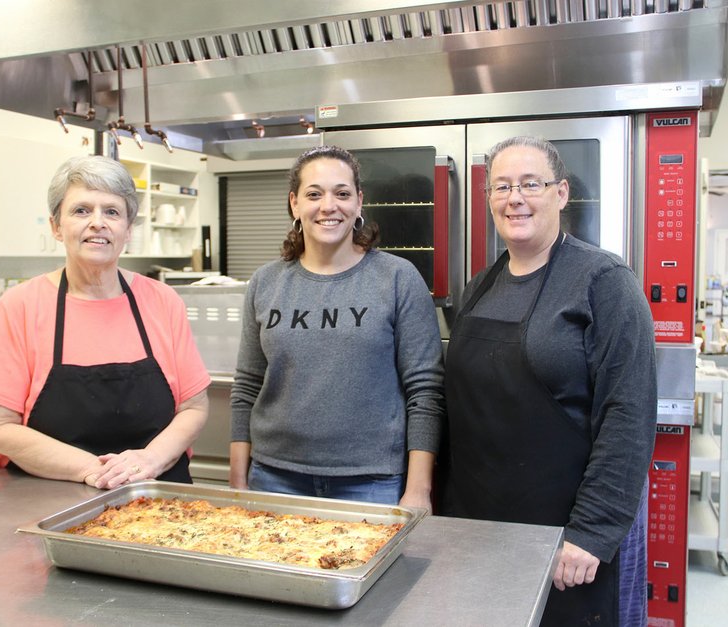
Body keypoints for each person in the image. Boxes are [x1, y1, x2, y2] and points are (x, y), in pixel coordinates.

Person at [440, 136, 656, 626]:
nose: (515, 197)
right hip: (478, 524)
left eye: (530, 184)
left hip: (564, 537)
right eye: (502, 186)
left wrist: (591, 533)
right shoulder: (480, 287)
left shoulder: (604, 282)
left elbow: (628, 415)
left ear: (561, 194)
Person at [0, 155, 210, 489]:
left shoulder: (163, 301)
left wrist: (147, 461)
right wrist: (93, 470)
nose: (98, 223)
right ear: (56, 226)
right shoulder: (20, 306)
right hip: (44, 502)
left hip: (158, 495)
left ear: (128, 230)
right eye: (81, 210)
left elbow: (193, 408)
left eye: (112, 211)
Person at [229, 145, 444, 511]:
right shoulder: (266, 282)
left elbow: (425, 392)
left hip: (372, 483)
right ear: (295, 204)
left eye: (342, 193)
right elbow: (247, 386)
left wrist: (418, 490)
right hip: (274, 479)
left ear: (359, 202)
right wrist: (237, 482)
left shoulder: (397, 278)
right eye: (314, 194)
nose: (329, 206)